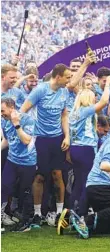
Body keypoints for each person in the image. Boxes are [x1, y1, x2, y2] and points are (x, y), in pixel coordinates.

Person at [58, 119, 110, 238]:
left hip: (103, 186)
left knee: (107, 228)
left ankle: (72, 220)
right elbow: (104, 165)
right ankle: (84, 221)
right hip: (99, 186)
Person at [20, 63, 73, 227]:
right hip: (40, 139)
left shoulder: (64, 92)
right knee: (40, 177)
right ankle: (37, 214)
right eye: (67, 77)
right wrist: (30, 130)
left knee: (58, 175)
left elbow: (64, 116)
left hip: (57, 139)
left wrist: (67, 136)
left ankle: (59, 214)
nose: (69, 80)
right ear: (58, 76)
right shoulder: (40, 90)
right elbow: (23, 110)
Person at [68, 77, 110, 216]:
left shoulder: (73, 113)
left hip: (75, 149)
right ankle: (82, 215)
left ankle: (68, 213)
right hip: (86, 149)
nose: (94, 101)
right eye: (92, 98)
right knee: (87, 183)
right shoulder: (85, 111)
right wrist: (108, 84)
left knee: (78, 183)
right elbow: (104, 102)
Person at [1, 98, 37, 232]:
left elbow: (27, 140)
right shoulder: (4, 122)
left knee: (25, 192)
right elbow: (7, 140)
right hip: (12, 160)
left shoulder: (27, 120)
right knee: (4, 187)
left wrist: (16, 124)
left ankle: (26, 222)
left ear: (11, 107)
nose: (1, 114)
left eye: (3, 110)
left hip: (27, 162)